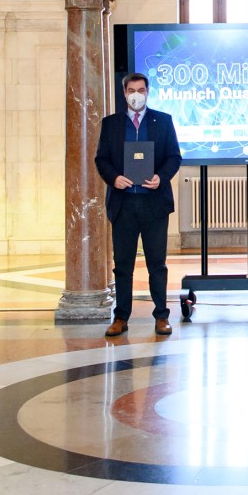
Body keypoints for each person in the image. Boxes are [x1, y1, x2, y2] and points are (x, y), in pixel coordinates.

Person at [95, 73, 182, 337]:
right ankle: (121, 318)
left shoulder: (163, 121)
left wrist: (161, 177)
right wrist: (113, 178)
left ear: (147, 93)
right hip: (123, 205)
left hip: (154, 205)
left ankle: (161, 317)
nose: (136, 94)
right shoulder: (110, 124)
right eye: (131, 90)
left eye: (141, 90)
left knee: (157, 264)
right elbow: (102, 159)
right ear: (124, 94)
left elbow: (174, 156)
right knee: (122, 265)